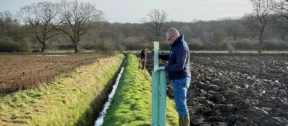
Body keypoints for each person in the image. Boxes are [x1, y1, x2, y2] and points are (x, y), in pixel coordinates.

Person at [158, 28, 191, 126]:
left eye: (169, 39)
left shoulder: (181, 47)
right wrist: (159, 56)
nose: (169, 42)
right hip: (177, 79)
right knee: (180, 105)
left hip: (180, 79)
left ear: (174, 36)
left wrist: (165, 67)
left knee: (181, 106)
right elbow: (171, 56)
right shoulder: (176, 45)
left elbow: (180, 66)